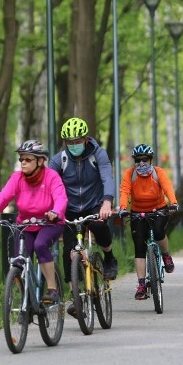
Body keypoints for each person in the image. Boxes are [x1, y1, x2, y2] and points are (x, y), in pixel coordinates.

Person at [0, 140, 67, 303]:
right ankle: (25, 302)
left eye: (28, 159)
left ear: (40, 161)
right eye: (21, 159)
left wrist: (56, 212)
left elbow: (61, 198)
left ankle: (52, 289)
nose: (23, 163)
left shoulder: (51, 176)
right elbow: (4, 196)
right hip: (25, 225)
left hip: (49, 223)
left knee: (40, 245)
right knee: (18, 261)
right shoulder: (17, 178)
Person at [48, 117, 119, 280]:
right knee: (68, 250)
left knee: (98, 225)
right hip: (69, 208)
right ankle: (75, 293)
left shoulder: (98, 154)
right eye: (69, 142)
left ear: (86, 139)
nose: (73, 145)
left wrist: (107, 203)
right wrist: (50, 208)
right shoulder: (59, 160)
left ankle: (109, 257)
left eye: (77, 141)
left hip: (94, 204)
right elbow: (48, 184)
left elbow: (107, 178)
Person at [118, 144, 179, 300]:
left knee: (159, 232)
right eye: (138, 161)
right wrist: (123, 208)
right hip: (137, 212)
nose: (141, 164)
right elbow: (125, 191)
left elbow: (167, 187)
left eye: (145, 160)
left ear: (151, 160)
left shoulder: (158, 173)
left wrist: (173, 202)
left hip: (158, 209)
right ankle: (141, 285)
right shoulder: (130, 174)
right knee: (139, 245)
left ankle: (166, 255)